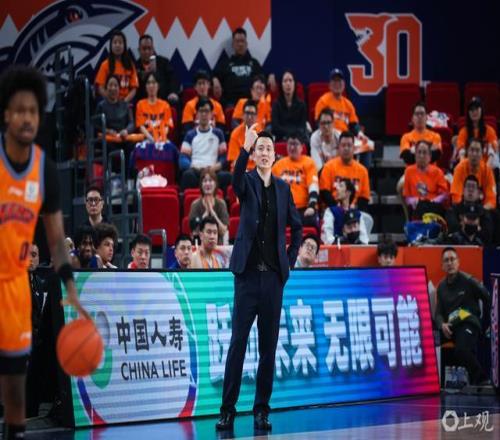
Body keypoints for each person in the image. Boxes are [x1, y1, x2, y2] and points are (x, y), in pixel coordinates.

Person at [0, 65, 87, 439]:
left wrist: (69, 282)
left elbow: (55, 239)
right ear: (7, 115)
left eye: (33, 111)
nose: (27, 118)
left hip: (16, 286)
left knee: (15, 379)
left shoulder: (44, 170)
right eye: (20, 110)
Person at [216, 127, 302, 432]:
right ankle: (227, 410)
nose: (264, 153)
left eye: (268, 149)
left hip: (273, 280)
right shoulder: (248, 182)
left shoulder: (283, 189)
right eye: (260, 148)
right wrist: (244, 147)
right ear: (255, 155)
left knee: (268, 348)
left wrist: (288, 262)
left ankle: (261, 410)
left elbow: (297, 228)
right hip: (247, 277)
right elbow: (234, 182)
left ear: (275, 156)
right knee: (237, 344)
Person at [435, 247, 491, 385]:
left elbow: (488, 297)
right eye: (446, 260)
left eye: (452, 259)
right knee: (429, 341)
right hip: (450, 327)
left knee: (461, 350)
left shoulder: (469, 281)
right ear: (442, 265)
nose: (450, 263)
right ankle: (429, 381)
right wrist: (442, 325)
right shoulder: (441, 287)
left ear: (458, 262)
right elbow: (438, 313)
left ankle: (482, 379)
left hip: (468, 323)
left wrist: (486, 322)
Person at [179, 98, 231, 190]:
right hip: (196, 170)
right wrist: (195, 167)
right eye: (201, 111)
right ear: (197, 114)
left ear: (211, 114)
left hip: (213, 170)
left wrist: (215, 167)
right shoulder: (190, 135)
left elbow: (224, 158)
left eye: (206, 111)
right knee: (187, 175)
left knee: (227, 177)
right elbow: (183, 159)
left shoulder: (218, 133)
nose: (203, 114)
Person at [272, 133, 319, 227]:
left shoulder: (309, 162)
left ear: (302, 147)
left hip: (303, 209)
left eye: (295, 144)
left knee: (311, 219)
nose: (292, 147)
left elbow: (313, 186)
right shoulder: (278, 165)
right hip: (283, 209)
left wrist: (312, 205)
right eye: (290, 144)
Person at [212, 27, 266, 107]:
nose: (240, 44)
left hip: (251, 104)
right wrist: (215, 80)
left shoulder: (254, 63)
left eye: (242, 41)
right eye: (237, 41)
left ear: (246, 44)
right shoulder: (225, 64)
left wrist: (271, 76)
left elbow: (262, 80)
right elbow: (212, 75)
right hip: (231, 104)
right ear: (233, 44)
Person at [319, 131, 371, 212]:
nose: (346, 148)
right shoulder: (328, 167)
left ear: (354, 148)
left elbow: (364, 198)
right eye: (343, 145)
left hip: (354, 212)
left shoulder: (362, 171)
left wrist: (354, 213)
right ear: (339, 148)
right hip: (333, 210)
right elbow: (324, 192)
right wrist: (338, 210)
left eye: (349, 145)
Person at [403, 140, 449, 219]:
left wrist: (433, 201)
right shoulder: (409, 171)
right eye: (419, 152)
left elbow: (444, 195)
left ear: (430, 156)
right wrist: (414, 201)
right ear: (415, 155)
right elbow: (407, 197)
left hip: (433, 207)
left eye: (424, 153)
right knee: (420, 207)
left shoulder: (437, 172)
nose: (421, 156)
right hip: (417, 207)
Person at [321, 178, 370, 244]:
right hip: (337, 248)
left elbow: (364, 239)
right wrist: (339, 242)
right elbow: (327, 237)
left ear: (348, 192)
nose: (337, 189)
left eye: (341, 186)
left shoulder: (358, 214)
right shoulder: (330, 211)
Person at [446, 175, 494, 243]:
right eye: (468, 186)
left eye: (473, 187)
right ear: (463, 191)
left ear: (478, 193)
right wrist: (475, 229)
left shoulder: (484, 212)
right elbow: (453, 229)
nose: (470, 190)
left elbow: (488, 234)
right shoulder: (453, 209)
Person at [450, 139, 497, 209]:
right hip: (462, 208)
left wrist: (480, 212)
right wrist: (467, 211)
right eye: (472, 150)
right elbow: (456, 198)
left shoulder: (488, 171)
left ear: (482, 153)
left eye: (477, 151)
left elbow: (491, 200)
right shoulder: (459, 169)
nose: (474, 154)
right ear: (467, 152)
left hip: (482, 209)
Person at [134, 34, 180, 105]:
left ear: (153, 49)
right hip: (144, 103)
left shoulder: (164, 62)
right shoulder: (135, 66)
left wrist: (173, 92)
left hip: (164, 101)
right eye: (144, 49)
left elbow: (173, 79)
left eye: (149, 48)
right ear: (139, 50)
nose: (147, 51)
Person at [95, 30, 138, 103]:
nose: (117, 45)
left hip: (125, 102)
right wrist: (111, 100)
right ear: (111, 46)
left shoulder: (130, 65)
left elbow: (134, 89)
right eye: (115, 42)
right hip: (109, 101)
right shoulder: (105, 65)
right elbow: (100, 87)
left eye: (120, 43)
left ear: (124, 46)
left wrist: (124, 101)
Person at [454, 97, 498, 167]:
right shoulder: (463, 132)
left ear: (481, 110)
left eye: (477, 109)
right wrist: (465, 169)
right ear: (468, 113)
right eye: (471, 110)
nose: (474, 112)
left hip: (487, 167)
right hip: (468, 167)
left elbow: (492, 154)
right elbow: (461, 153)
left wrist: (485, 170)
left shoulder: (490, 131)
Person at [188, 169, 229, 244]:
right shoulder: (195, 205)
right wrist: (205, 214)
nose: (207, 184)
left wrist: (213, 213)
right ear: (201, 185)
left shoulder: (221, 204)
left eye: (210, 181)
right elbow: (195, 232)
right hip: (200, 246)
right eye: (205, 181)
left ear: (215, 184)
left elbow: (223, 231)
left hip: (218, 246)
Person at [314, 68, 360, 134]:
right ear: (329, 85)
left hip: (345, 136)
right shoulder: (323, 101)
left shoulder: (348, 104)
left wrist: (360, 134)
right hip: (329, 134)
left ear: (344, 84)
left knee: (367, 140)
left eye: (339, 81)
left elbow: (354, 125)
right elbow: (318, 123)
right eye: (334, 81)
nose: (337, 84)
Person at [182, 70, 225, 134]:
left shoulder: (217, 105)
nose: (202, 87)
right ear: (195, 87)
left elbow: (221, 128)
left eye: (204, 83)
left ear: (209, 85)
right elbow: (187, 129)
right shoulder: (189, 105)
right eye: (199, 84)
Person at [135, 72, 174, 143]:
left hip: (162, 138)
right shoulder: (140, 104)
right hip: (146, 138)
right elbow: (141, 126)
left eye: (153, 82)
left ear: (158, 86)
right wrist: (152, 139)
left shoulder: (165, 105)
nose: (151, 85)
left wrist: (160, 138)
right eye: (148, 83)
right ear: (145, 87)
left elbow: (167, 126)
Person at [400, 102, 442, 166]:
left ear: (426, 118)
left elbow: (435, 156)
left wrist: (414, 150)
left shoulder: (435, 136)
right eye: (417, 114)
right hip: (412, 171)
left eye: (422, 114)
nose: (419, 116)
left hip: (431, 171)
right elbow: (407, 158)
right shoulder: (405, 137)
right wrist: (428, 150)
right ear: (412, 118)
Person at [271, 70, 308, 142]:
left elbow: (302, 127)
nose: (288, 84)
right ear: (281, 85)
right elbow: (275, 127)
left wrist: (292, 135)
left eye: (290, 80)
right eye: (285, 81)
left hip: (298, 139)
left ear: (294, 84)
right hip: (281, 139)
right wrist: (290, 133)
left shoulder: (302, 105)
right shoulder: (276, 104)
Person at [227, 99, 261, 171]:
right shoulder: (235, 134)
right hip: (240, 172)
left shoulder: (261, 134)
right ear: (242, 115)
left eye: (252, 113)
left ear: (256, 116)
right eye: (247, 113)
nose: (249, 117)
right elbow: (234, 162)